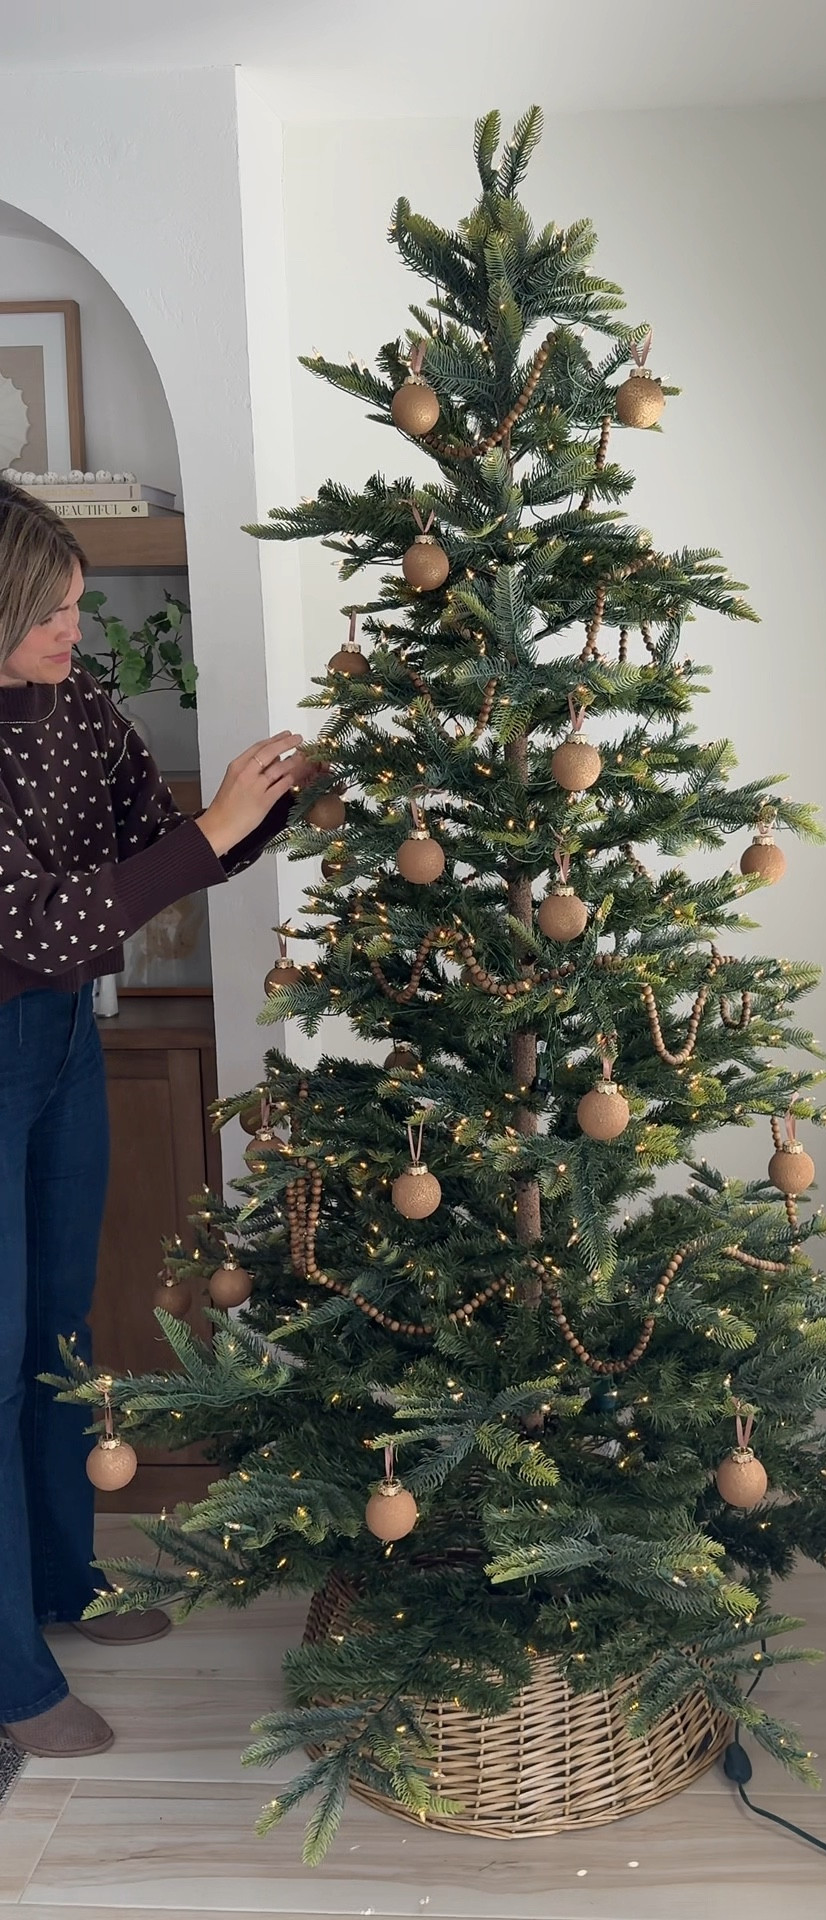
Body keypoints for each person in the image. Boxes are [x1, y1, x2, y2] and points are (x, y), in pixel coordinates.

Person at [0, 481, 310, 1759]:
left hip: (62, 1038)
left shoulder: (73, 701)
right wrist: (214, 829)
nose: (73, 632)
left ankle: (61, 1583)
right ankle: (12, 1676)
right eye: (49, 614)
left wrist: (270, 800)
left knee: (60, 1327)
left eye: (76, 606)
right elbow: (38, 922)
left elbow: (157, 843)